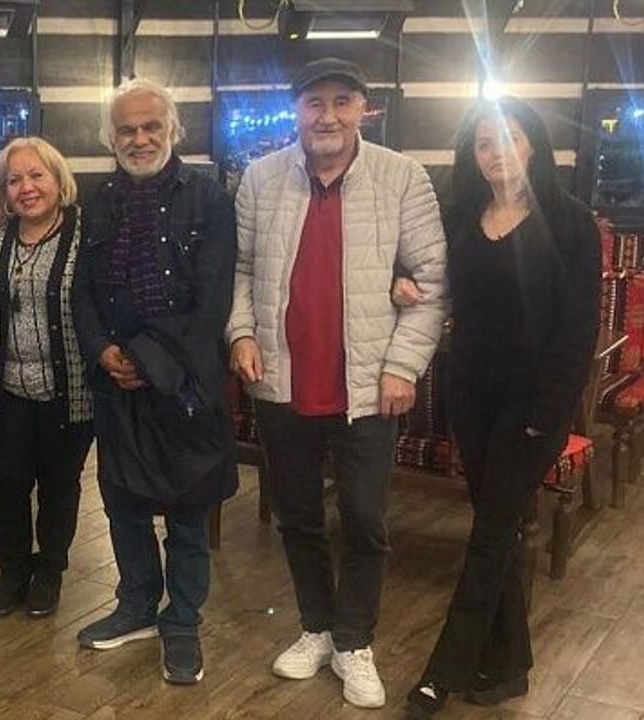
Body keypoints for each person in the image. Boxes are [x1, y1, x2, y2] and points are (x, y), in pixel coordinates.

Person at [227, 58, 449, 709]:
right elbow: (240, 269)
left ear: (362, 110)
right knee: (296, 516)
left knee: (365, 521)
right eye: (315, 103)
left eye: (342, 102)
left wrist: (402, 365)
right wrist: (240, 334)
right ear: (296, 110)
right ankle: (316, 627)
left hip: (368, 387)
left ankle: (354, 641)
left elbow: (431, 281)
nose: (328, 116)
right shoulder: (261, 177)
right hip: (281, 379)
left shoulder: (403, 177)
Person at [404, 98, 601, 718]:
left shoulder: (571, 223)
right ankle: (510, 665)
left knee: (490, 534)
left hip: (533, 406)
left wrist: (548, 409)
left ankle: (443, 671)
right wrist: (403, 285)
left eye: (509, 138)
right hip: (470, 397)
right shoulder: (461, 217)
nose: (496, 153)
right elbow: (433, 281)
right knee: (499, 527)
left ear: (532, 145)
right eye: (484, 143)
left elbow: (579, 327)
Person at [72, 78, 238, 685]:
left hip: (183, 381)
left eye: (150, 127)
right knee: (123, 503)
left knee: (188, 514)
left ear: (172, 130)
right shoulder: (98, 201)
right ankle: (137, 605)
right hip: (116, 382)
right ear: (110, 137)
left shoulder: (210, 199)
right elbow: (82, 291)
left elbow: (211, 302)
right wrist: (103, 350)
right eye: (126, 129)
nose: (139, 139)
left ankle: (183, 620)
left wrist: (144, 359)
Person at [0, 137, 93, 619]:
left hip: (69, 391)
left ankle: (49, 570)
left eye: (36, 175)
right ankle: (11, 571)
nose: (26, 187)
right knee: (4, 483)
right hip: (4, 388)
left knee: (59, 484)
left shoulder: (85, 233)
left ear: (57, 178)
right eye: (14, 180)